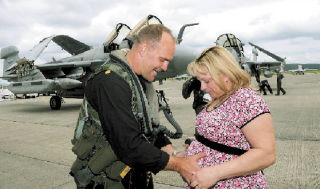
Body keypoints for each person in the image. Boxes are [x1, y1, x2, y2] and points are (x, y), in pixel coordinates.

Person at [70, 24, 205, 188]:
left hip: (137, 173)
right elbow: (129, 145)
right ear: (143, 49)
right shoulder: (110, 82)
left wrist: (172, 151)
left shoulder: (138, 81)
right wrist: (178, 164)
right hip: (106, 180)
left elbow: (148, 127)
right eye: (162, 60)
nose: (165, 67)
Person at [185, 46, 276, 188]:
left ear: (226, 74)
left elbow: (266, 154)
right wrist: (201, 142)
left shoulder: (246, 100)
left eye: (207, 81)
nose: (202, 87)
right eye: (200, 81)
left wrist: (215, 173)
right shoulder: (220, 96)